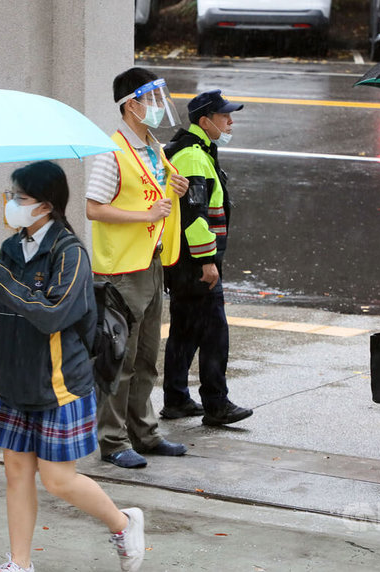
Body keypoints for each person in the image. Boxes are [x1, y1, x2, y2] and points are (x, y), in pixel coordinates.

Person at [0, 162, 145, 572]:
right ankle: (19, 563)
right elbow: (3, 309)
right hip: (14, 380)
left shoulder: (70, 252)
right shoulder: (11, 248)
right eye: (10, 196)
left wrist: (1, 281)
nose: (11, 204)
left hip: (57, 383)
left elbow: (53, 314)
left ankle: (123, 522)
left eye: (19, 198)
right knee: (16, 476)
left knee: (58, 481)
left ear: (45, 205)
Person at [85, 67, 189, 469]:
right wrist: (144, 214)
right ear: (131, 105)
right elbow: (94, 208)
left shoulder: (154, 148)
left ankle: (144, 432)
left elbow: (158, 192)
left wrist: (174, 189)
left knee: (146, 357)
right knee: (119, 359)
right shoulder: (111, 151)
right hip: (122, 271)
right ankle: (112, 440)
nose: (159, 108)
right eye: (151, 100)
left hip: (151, 262)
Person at [160, 89, 253, 426]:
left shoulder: (193, 150)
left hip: (183, 261)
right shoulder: (194, 157)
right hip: (195, 261)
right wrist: (207, 262)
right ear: (205, 121)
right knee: (214, 333)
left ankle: (176, 399)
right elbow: (194, 214)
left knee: (185, 330)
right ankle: (216, 404)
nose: (230, 121)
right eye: (224, 116)